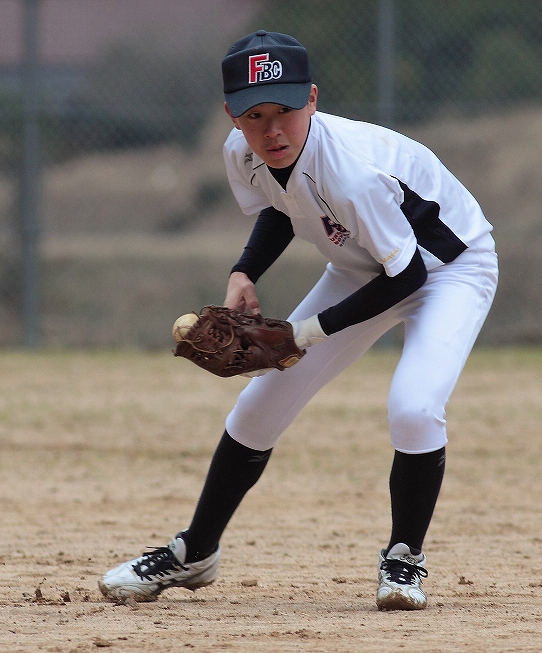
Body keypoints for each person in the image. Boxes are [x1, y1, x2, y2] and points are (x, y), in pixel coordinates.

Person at [99, 30, 498, 611]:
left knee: (413, 407)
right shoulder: (244, 153)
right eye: (254, 115)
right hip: (365, 265)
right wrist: (243, 273)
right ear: (230, 116)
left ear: (312, 98)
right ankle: (195, 552)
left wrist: (300, 335)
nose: (272, 130)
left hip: (447, 270)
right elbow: (283, 209)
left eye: (284, 109)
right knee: (258, 407)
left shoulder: (353, 171)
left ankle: (403, 561)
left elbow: (408, 278)